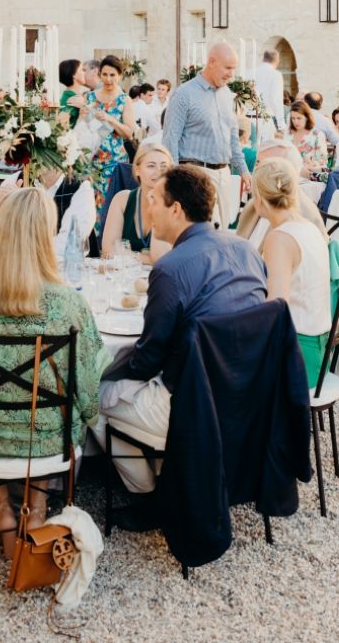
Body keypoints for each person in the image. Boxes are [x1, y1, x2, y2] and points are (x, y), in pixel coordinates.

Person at [0, 187, 106, 557]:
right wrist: (91, 417)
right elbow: (87, 388)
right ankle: (38, 511)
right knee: (50, 407)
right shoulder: (70, 304)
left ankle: (3, 511)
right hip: (49, 442)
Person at [99, 166, 267, 493]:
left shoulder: (170, 269)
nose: (148, 209)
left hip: (192, 403)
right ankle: (172, 472)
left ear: (176, 209)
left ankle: (148, 493)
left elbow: (148, 359)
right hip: (248, 395)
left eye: (154, 201)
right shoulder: (246, 250)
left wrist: (105, 373)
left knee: (92, 397)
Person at [253, 158, 334, 387]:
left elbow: (276, 310)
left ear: (258, 199)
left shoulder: (280, 238)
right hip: (316, 346)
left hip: (297, 356)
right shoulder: (308, 227)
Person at [162, 43, 253, 221]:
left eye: (233, 68)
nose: (231, 74)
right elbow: (170, 138)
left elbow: (232, 137)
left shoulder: (227, 94)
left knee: (225, 227)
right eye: (227, 67)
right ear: (212, 62)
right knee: (202, 231)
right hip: (195, 174)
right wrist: (175, 180)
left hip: (224, 174)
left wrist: (244, 170)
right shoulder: (184, 94)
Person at [82, 55, 137, 213]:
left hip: (113, 163)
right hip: (91, 162)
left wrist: (110, 120)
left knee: (109, 208)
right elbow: (84, 128)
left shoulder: (124, 100)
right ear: (100, 74)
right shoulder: (90, 97)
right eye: (105, 74)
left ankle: (107, 238)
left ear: (120, 75)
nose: (108, 79)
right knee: (88, 208)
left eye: (112, 75)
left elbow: (129, 133)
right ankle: (92, 239)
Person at [101, 142, 174, 262]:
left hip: (159, 279)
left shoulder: (174, 204)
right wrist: (147, 258)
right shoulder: (122, 200)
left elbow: (162, 259)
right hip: (124, 277)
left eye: (164, 166)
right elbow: (108, 251)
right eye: (151, 166)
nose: (158, 172)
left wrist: (156, 206)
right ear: (137, 170)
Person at [286, 101, 328, 181]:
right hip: (289, 174)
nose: (295, 122)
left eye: (299, 118)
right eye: (293, 118)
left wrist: (307, 167)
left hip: (309, 176)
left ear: (307, 117)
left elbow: (322, 160)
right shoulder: (288, 134)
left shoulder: (317, 135)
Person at [253, 49, 286, 128]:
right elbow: (276, 99)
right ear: (277, 61)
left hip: (248, 120)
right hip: (265, 120)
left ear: (263, 59)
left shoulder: (249, 72)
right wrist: (281, 124)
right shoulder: (276, 75)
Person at [58, 59, 89, 124]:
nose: (85, 73)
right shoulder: (70, 98)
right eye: (82, 70)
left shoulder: (74, 95)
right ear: (74, 75)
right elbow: (61, 124)